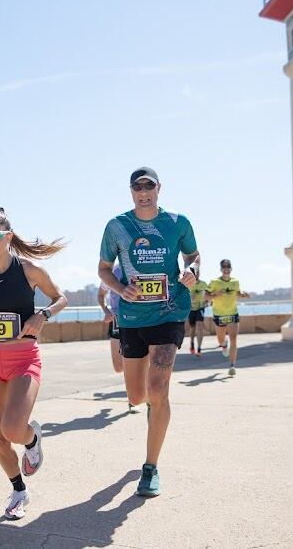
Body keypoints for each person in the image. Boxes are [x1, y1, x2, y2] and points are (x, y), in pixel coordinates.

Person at [0, 208, 67, 520]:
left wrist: (42, 314)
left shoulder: (29, 270)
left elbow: (61, 298)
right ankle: (19, 490)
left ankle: (32, 439)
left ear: (7, 236)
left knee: (12, 428)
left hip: (23, 360)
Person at [98, 167, 199, 498]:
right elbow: (102, 269)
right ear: (131, 191)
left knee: (158, 389)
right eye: (137, 187)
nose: (143, 192)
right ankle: (151, 414)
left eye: (149, 186)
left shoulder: (177, 223)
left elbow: (193, 256)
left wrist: (192, 271)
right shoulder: (117, 227)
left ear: (159, 188)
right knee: (137, 396)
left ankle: (151, 466)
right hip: (131, 318)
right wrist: (119, 288)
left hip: (169, 312)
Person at [98, 264, 139, 414]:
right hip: (117, 319)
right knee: (118, 367)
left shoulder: (142, 266)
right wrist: (106, 311)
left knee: (132, 361)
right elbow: (100, 295)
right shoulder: (112, 271)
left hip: (138, 320)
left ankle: (134, 399)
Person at [207, 259, 250, 376]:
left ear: (231, 269)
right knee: (221, 340)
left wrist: (244, 295)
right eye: (224, 267)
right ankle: (223, 345)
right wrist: (216, 295)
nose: (226, 269)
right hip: (219, 315)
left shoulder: (235, 282)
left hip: (232, 314)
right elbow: (206, 295)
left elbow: (237, 293)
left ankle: (232, 365)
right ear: (221, 269)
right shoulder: (214, 282)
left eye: (228, 267)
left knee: (234, 339)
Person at [186, 266, 210, 355]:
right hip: (191, 309)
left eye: (198, 272)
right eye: (195, 273)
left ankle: (199, 348)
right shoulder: (187, 284)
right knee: (192, 328)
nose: (197, 274)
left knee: (199, 327)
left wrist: (208, 301)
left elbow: (208, 295)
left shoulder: (203, 284)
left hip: (200, 308)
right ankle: (192, 343)